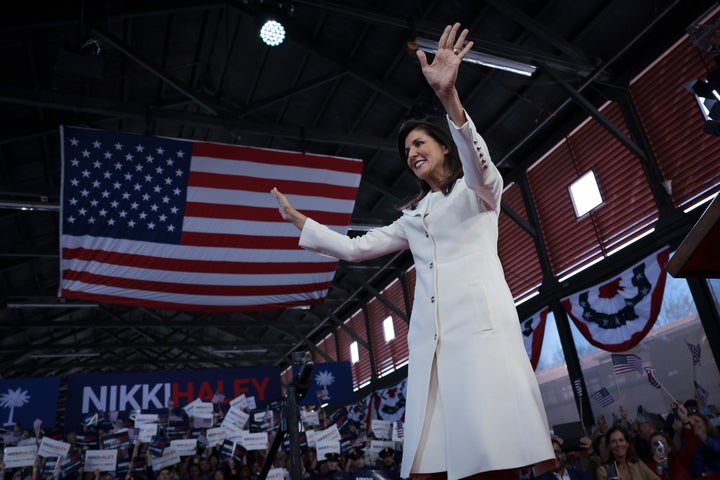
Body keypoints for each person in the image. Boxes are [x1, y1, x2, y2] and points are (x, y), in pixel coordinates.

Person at [272, 22, 555, 480]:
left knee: (493, 449)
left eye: (419, 143)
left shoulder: (479, 192)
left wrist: (449, 98)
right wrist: (301, 222)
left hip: (479, 333)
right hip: (432, 344)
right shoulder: (412, 217)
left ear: (444, 147)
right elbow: (354, 248)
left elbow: (478, 161)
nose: (411, 153)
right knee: (439, 459)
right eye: (406, 150)